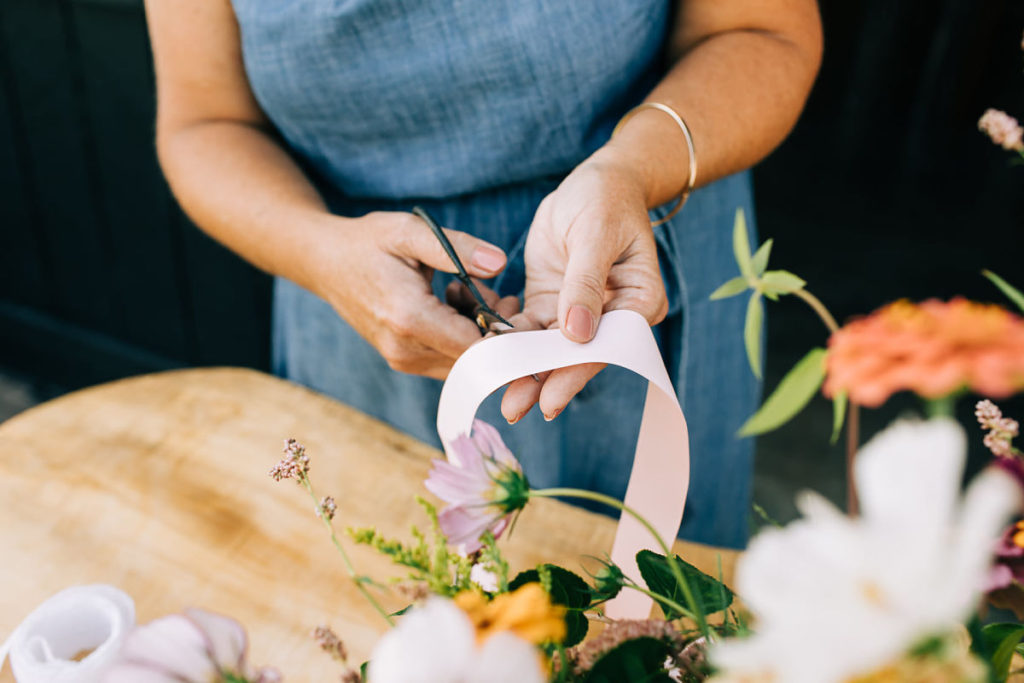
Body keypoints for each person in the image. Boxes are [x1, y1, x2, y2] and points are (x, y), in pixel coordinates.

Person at [145, 0, 822, 548]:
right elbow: (204, 121)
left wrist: (631, 170)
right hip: (355, 316)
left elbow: (762, 30)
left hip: (631, 267)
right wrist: (322, 252)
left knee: (656, 613)